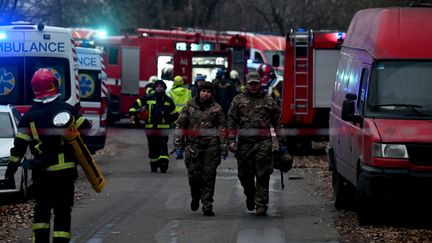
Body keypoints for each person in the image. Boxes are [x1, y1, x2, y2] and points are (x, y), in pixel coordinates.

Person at [3, 68, 91, 242]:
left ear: (34, 88)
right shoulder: (67, 109)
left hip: (42, 174)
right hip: (65, 174)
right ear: (55, 85)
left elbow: (18, 149)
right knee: (63, 212)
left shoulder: (28, 117)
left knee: (42, 212)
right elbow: (86, 129)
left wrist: (9, 172)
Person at [227, 72, 288, 216]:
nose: (254, 86)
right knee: (244, 175)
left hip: (263, 143)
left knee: (263, 173)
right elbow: (231, 121)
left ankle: (261, 203)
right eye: (251, 83)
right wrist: (230, 141)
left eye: (256, 83)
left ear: (260, 84)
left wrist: (282, 143)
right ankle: (250, 194)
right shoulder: (238, 100)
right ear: (246, 84)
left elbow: (277, 123)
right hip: (244, 144)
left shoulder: (268, 101)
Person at [174, 81, 227, 216]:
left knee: (209, 176)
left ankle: (207, 204)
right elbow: (180, 125)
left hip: (211, 147)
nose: (206, 94)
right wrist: (178, 144)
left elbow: (222, 128)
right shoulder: (189, 107)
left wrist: (223, 146)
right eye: (203, 91)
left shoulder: (217, 109)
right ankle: (195, 196)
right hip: (193, 147)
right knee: (194, 176)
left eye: (209, 92)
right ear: (199, 92)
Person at [129, 80, 176, 173]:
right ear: (155, 88)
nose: (159, 88)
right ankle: (154, 165)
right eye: (157, 86)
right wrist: (133, 113)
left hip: (164, 128)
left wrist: (167, 119)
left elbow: (174, 114)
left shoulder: (168, 100)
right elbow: (135, 105)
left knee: (163, 145)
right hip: (150, 128)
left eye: (161, 86)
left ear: (164, 88)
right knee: (152, 146)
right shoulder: (147, 98)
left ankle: (164, 164)